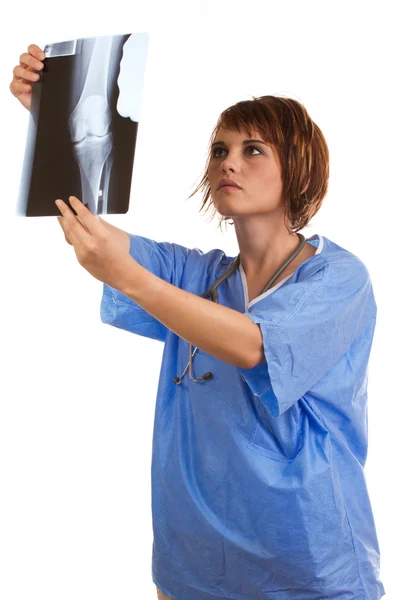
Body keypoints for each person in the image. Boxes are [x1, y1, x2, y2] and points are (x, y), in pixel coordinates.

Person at [11, 45, 386, 600]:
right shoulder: (198, 275)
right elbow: (94, 233)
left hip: (306, 564)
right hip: (195, 561)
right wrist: (50, 120)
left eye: (252, 149)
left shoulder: (337, 278)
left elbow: (253, 347)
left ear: (299, 170)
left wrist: (133, 279)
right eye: (220, 149)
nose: (228, 161)